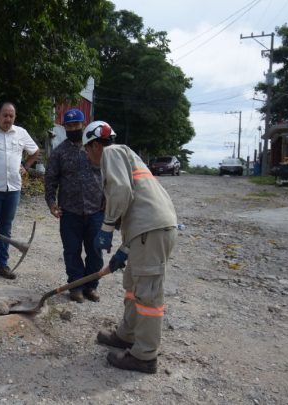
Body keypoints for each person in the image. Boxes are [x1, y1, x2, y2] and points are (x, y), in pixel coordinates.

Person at [81, 120, 178, 374]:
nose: (88, 156)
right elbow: (136, 202)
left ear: (93, 146)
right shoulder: (125, 154)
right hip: (145, 230)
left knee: (147, 293)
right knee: (133, 285)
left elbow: (122, 191)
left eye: (86, 150)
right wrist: (124, 249)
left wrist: (106, 228)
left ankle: (144, 355)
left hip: (151, 231)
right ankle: (127, 335)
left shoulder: (111, 153)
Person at [0, 101, 40, 284]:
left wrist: (26, 166)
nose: (8, 119)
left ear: (14, 117)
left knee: (6, 228)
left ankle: (2, 265)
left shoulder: (21, 133)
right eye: (5, 115)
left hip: (13, 190)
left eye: (11, 116)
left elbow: (35, 152)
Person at [44, 108, 104, 303]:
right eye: (69, 126)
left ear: (83, 124)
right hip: (70, 212)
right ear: (64, 127)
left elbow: (108, 177)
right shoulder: (59, 152)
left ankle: (91, 286)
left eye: (76, 125)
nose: (73, 128)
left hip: (96, 210)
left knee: (95, 251)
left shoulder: (95, 148)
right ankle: (75, 287)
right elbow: (50, 180)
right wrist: (52, 203)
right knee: (72, 251)